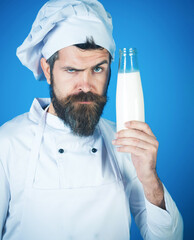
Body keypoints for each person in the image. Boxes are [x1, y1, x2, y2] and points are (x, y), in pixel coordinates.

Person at [0, 0, 183, 239]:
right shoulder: (8, 142)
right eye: (72, 70)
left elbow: (171, 237)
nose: (86, 86)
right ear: (47, 70)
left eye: (98, 69)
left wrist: (150, 179)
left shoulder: (124, 143)